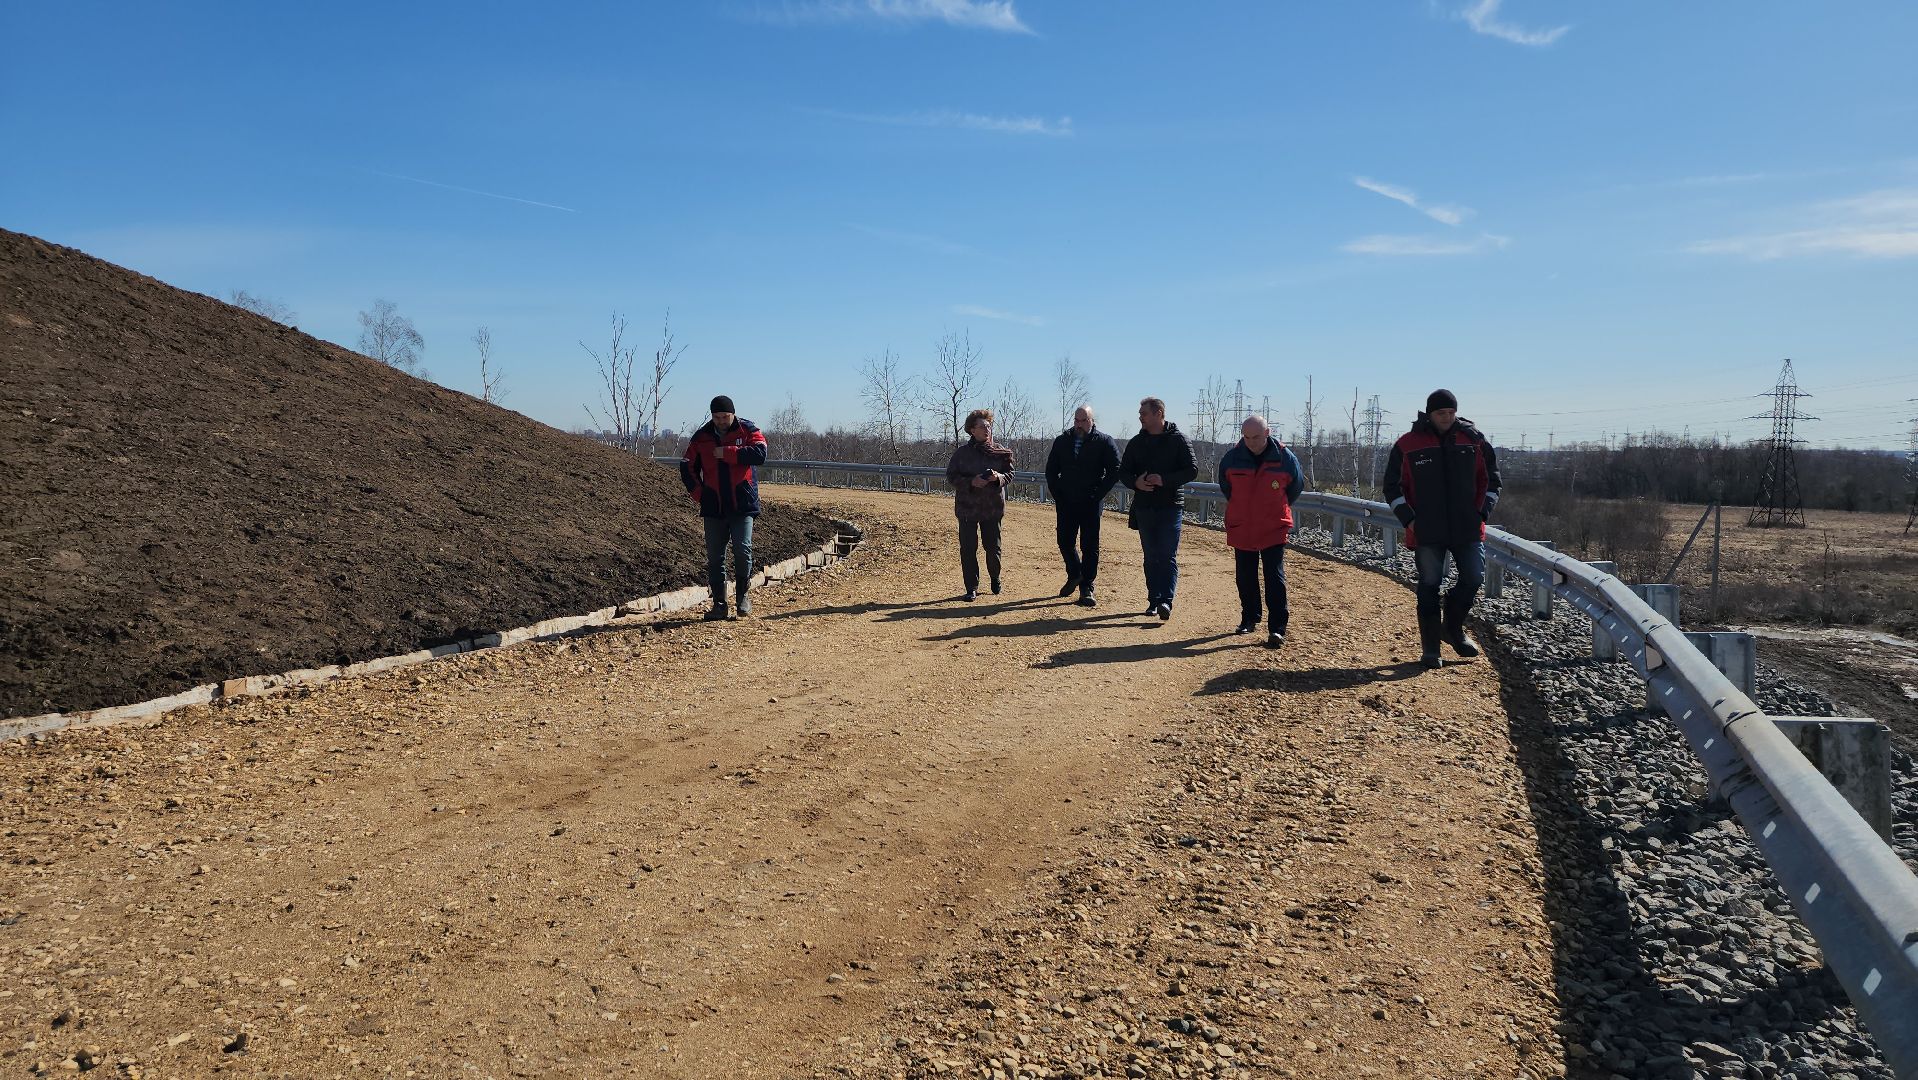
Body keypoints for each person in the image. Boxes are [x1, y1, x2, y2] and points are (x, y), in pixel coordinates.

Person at [1382, 389, 1503, 669]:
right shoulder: (1408, 444)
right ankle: (1431, 649)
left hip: (1468, 527)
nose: (1447, 418)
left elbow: (1492, 481)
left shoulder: (1474, 441)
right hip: (1427, 530)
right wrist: (1410, 520)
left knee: (1473, 577)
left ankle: (1452, 627)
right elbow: (1392, 487)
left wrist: (1481, 513)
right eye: (1441, 413)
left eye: (1451, 413)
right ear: (1430, 413)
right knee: (1428, 585)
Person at [1217, 415, 1305, 648]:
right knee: (1245, 576)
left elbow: (1295, 487)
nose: (1251, 442)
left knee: (1274, 576)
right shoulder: (1232, 458)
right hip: (1242, 525)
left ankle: (1277, 628)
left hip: (1273, 526)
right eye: (1246, 437)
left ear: (1268, 433)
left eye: (1256, 437)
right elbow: (1227, 488)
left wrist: (1273, 508)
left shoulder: (1285, 458)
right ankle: (1249, 618)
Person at [680, 395, 770, 621]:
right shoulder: (701, 437)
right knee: (715, 557)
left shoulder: (747, 430)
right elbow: (686, 466)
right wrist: (700, 494)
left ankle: (743, 598)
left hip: (742, 505)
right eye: (717, 417)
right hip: (714, 508)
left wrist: (729, 452)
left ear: (733, 414)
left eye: (725, 417)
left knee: (743, 550)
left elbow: (761, 454)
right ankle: (719, 605)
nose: (721, 421)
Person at [1118, 397, 1198, 621]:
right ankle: (1153, 600)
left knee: (1167, 555)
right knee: (1151, 555)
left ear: (1159, 414)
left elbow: (1191, 470)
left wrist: (1165, 480)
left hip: (1171, 506)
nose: (1140, 417)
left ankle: (1166, 601)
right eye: (1140, 413)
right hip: (1144, 507)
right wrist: (1136, 483)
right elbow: (1123, 471)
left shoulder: (1179, 440)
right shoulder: (1136, 442)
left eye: (1144, 413)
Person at [1044, 405, 1121, 607]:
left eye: (1083, 420)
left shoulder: (1104, 441)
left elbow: (1115, 470)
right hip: (1066, 501)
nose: (1079, 424)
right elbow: (1051, 470)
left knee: (1090, 546)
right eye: (1076, 420)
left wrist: (1098, 494)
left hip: (1090, 502)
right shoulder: (1062, 441)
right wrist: (1058, 494)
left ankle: (1086, 587)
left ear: (1092, 420)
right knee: (1064, 542)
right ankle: (1075, 574)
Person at [945, 408, 1015, 601]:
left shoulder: (1000, 452)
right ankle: (971, 587)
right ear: (972, 430)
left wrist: (998, 477)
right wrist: (970, 482)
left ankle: (995, 576)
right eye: (983, 426)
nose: (987, 429)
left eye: (989, 426)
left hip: (992, 508)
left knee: (992, 548)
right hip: (967, 507)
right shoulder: (961, 454)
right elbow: (951, 476)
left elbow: (1010, 474)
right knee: (968, 549)